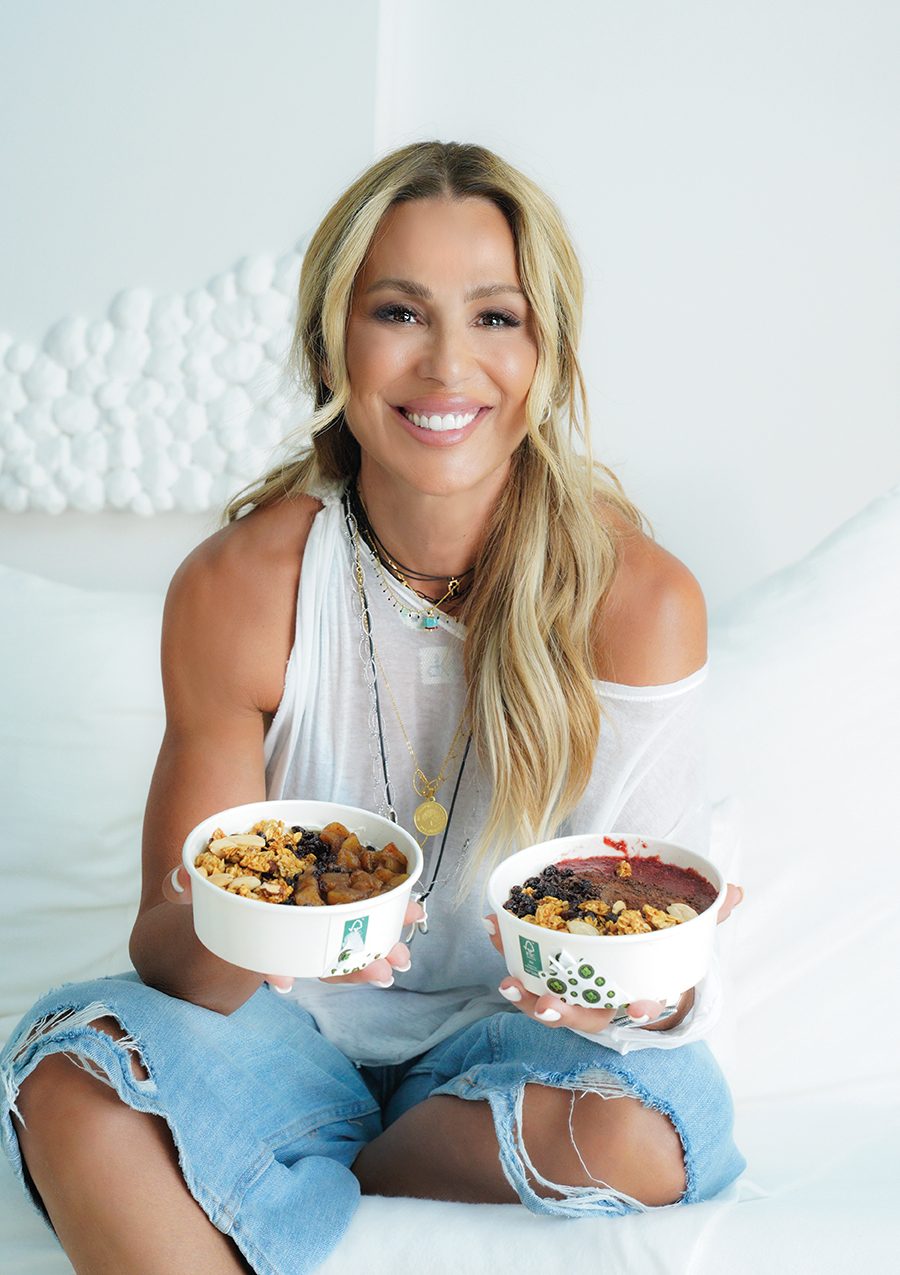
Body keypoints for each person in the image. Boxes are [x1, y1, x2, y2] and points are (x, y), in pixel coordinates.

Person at [0, 141, 744, 1275]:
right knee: (67, 1082)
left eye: (495, 317)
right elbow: (171, 957)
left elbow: (637, 960)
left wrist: (644, 983)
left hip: (507, 1045)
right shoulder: (243, 586)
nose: (448, 364)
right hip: (283, 1034)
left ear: (545, 353)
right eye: (399, 312)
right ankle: (289, 1150)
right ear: (330, 344)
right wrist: (267, 930)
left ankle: (307, 1176)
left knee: (647, 1131)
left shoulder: (638, 600)